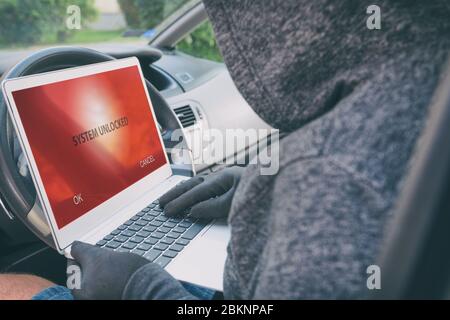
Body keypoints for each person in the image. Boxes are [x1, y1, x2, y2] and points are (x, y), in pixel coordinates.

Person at [2, 0, 450, 300]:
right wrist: (263, 187)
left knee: (12, 285)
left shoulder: (329, 178)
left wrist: (143, 288)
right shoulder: (430, 80)